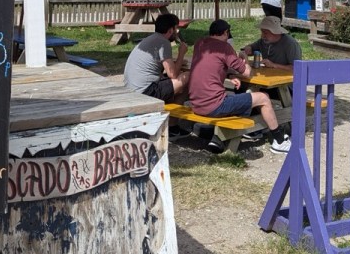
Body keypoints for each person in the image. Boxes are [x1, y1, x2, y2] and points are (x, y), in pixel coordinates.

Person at [189, 20, 290, 154]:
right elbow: (248, 73)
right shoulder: (224, 47)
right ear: (226, 33)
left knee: (241, 98)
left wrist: (229, 75)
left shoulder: (200, 43)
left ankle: (219, 137)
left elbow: (213, 66)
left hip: (195, 103)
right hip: (214, 106)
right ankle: (279, 141)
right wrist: (245, 60)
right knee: (263, 98)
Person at [123, 13, 190, 102]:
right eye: (176, 28)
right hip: (145, 92)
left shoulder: (152, 39)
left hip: (132, 89)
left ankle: (173, 105)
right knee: (187, 76)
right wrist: (181, 53)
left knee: (177, 80)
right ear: (170, 30)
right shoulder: (163, 43)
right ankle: (177, 109)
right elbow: (173, 75)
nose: (177, 32)